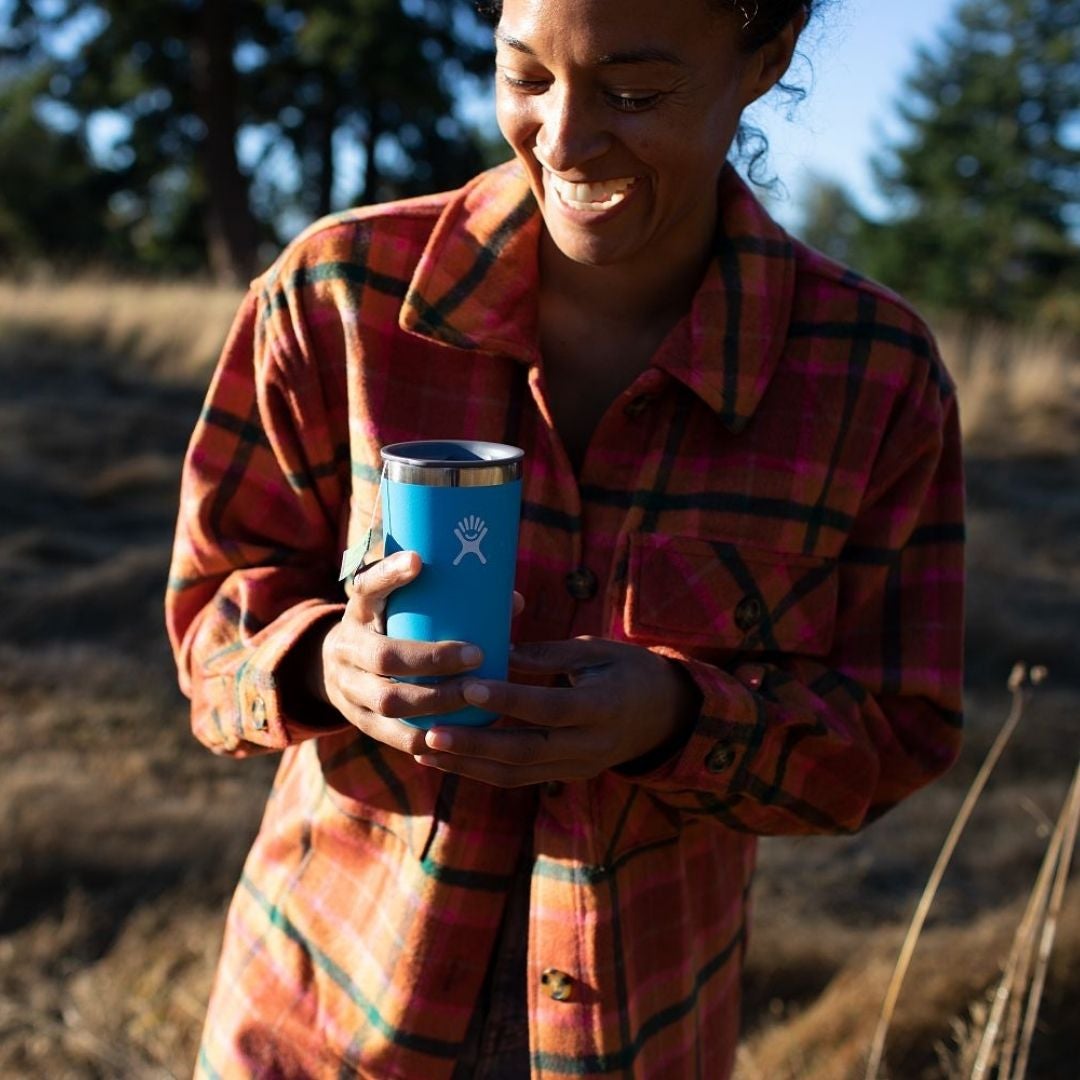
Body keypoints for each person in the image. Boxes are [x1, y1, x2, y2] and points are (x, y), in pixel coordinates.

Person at [166, 0, 965, 1075]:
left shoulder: (873, 378)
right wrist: (323, 663)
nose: (567, 139)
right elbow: (211, 626)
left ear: (763, 58)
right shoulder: (335, 297)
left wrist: (680, 716)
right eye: (526, 75)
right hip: (319, 1026)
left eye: (635, 93)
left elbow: (895, 732)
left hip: (638, 1038)